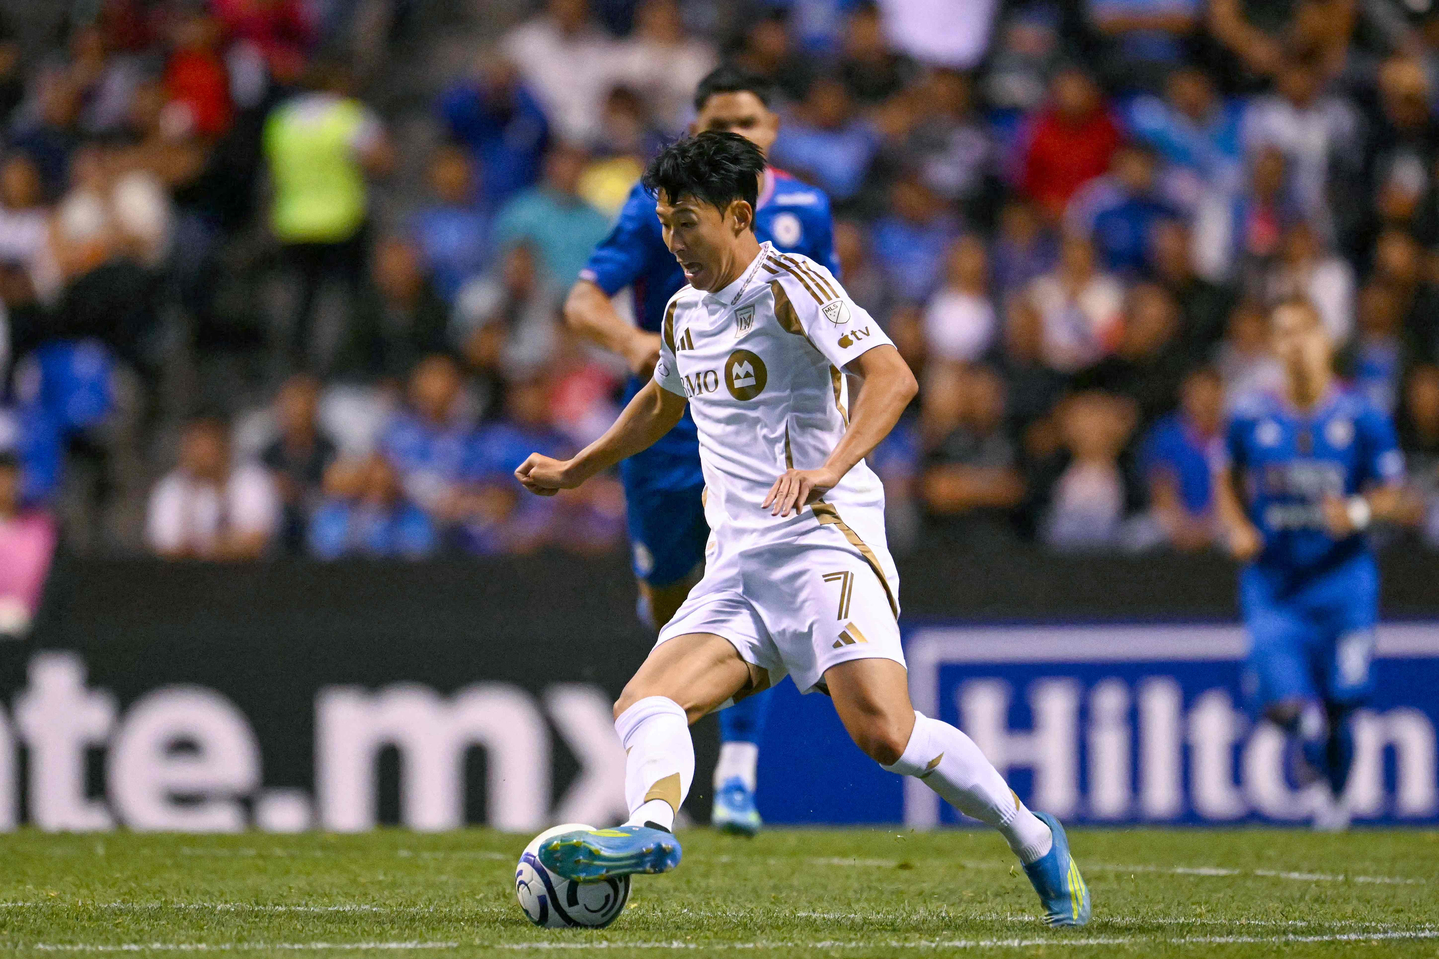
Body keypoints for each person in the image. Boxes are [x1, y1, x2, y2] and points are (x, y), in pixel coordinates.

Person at [515, 132, 1090, 927]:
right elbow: (661, 398)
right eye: (664, 224)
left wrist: (830, 466)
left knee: (884, 733)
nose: (673, 241)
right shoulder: (683, 310)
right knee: (644, 700)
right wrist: (580, 467)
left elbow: (891, 377)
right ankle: (649, 830)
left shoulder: (793, 284)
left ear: (739, 214)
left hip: (821, 542)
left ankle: (1033, 834)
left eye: (687, 222)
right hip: (738, 562)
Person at [563, 66, 840, 836]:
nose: (736, 135)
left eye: (748, 121)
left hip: (759, 438)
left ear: (772, 130)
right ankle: (668, 746)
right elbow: (582, 299)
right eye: (719, 123)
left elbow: (836, 330)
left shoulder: (807, 211)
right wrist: (633, 343)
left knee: (749, 585)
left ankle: (737, 778)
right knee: (668, 599)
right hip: (670, 420)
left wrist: (836, 448)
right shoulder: (657, 207)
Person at [1213, 298, 1410, 830]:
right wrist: (1236, 526)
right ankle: (1296, 728)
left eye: (1304, 331)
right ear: (1274, 346)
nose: (1295, 343)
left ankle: (1335, 806)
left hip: (1344, 583)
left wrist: (1359, 510)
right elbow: (1225, 478)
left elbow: (1396, 491)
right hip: (1275, 586)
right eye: (1283, 333)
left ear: (1324, 338)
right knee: (1291, 707)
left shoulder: (1361, 414)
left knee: (1345, 703)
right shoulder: (1251, 415)